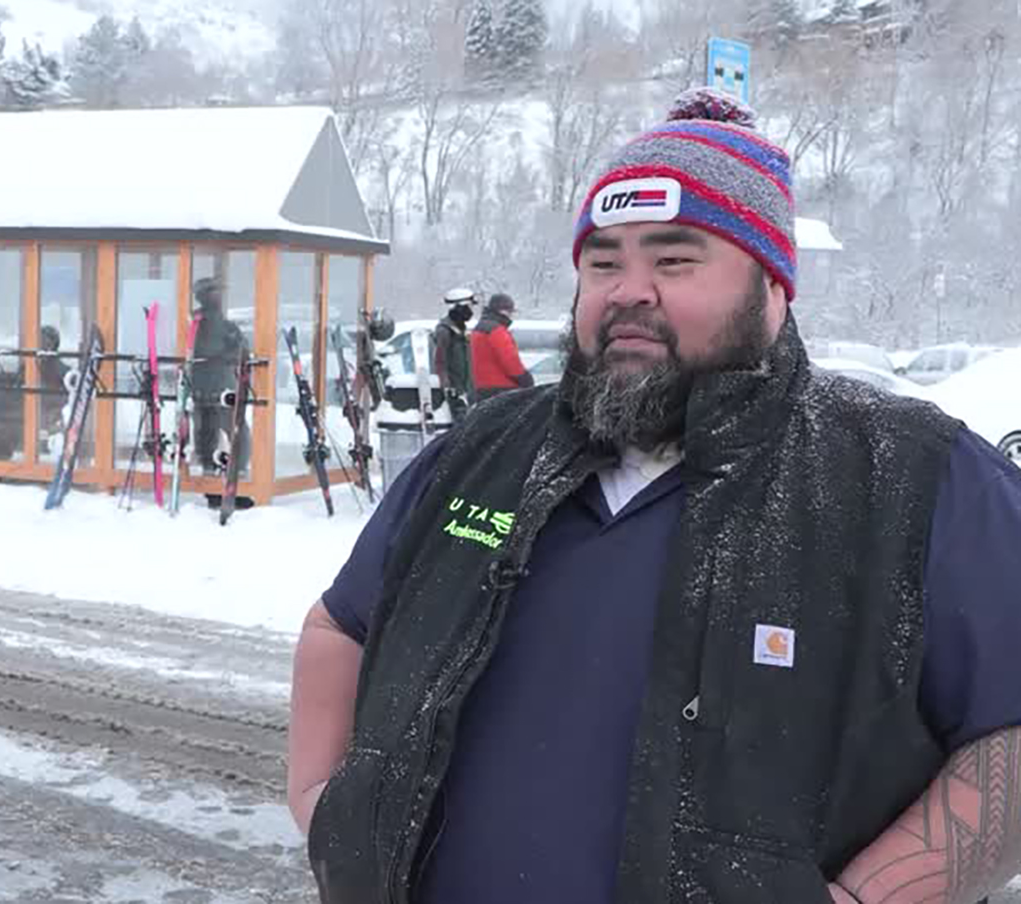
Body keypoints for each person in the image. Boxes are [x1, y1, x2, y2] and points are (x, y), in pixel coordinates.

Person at [288, 87, 1021, 904]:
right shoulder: (480, 452)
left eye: (674, 260)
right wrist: (326, 804)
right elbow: (339, 622)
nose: (628, 290)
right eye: (604, 261)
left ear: (774, 287)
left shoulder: (911, 476)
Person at [190, 276, 248, 478]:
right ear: (202, 296)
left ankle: (237, 467)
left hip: (223, 384)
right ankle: (209, 466)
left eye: (218, 292)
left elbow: (242, 351)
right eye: (212, 292)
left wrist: (229, 355)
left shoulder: (226, 326)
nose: (217, 296)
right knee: (206, 427)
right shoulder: (196, 323)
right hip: (204, 383)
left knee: (232, 425)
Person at [470, 292, 534, 401]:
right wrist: (526, 379)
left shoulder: (478, 329)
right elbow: (510, 361)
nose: (511, 315)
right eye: (510, 311)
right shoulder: (497, 330)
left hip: (482, 388)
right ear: (502, 311)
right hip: (503, 389)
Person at [433, 287, 475, 421]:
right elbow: (439, 362)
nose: (470, 311)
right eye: (467, 307)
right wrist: (448, 388)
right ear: (457, 307)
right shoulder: (444, 331)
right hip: (454, 393)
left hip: (465, 392)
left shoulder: (461, 330)